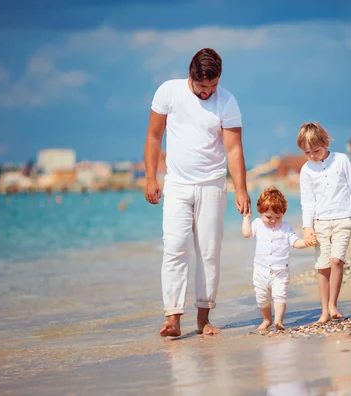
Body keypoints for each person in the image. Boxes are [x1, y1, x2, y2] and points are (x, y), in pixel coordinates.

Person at [144, 48, 251, 338]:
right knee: (175, 247)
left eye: (213, 86)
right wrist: (150, 178)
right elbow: (154, 136)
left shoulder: (227, 101)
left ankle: (203, 319)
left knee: (208, 252)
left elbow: (234, 148)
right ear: (191, 77)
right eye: (203, 87)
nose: (208, 92)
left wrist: (241, 189)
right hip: (177, 184)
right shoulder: (168, 92)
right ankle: (173, 317)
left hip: (213, 185)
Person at [297, 122, 351, 324]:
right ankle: (324, 311)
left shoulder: (340, 160)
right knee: (323, 267)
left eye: (316, 150)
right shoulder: (306, 171)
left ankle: (333, 305)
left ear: (325, 142)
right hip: (320, 222)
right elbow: (307, 202)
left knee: (336, 260)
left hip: (343, 218)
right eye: (307, 152)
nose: (313, 155)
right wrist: (307, 228)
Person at [241, 187, 315, 331]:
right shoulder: (257, 224)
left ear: (283, 215)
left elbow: (295, 242)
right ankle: (267, 319)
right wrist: (246, 217)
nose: (273, 221)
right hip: (261, 271)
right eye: (269, 217)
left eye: (278, 217)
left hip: (280, 271)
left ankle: (278, 320)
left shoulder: (285, 228)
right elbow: (246, 233)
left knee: (279, 295)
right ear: (260, 212)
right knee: (262, 298)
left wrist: (305, 242)